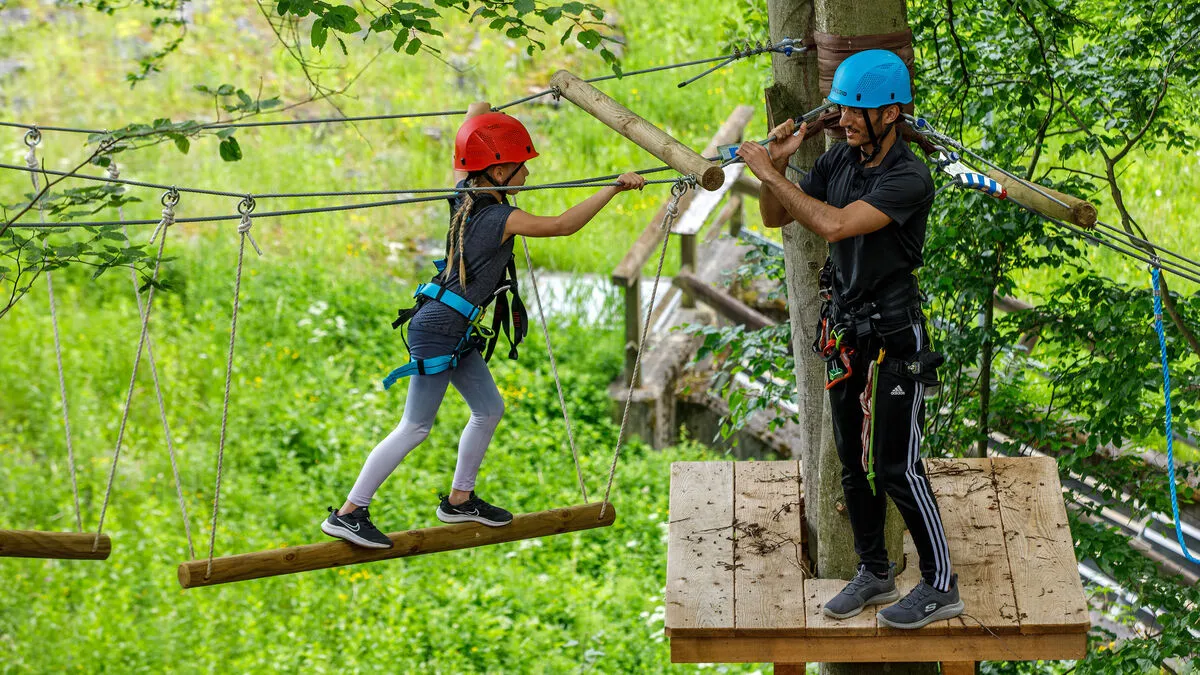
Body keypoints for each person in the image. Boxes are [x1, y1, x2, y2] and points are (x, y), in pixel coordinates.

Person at [322, 102, 646, 549]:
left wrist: (483, 113)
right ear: (496, 172)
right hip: (439, 328)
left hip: (450, 326)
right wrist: (613, 189)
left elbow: (470, 130)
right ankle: (350, 512)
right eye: (521, 167)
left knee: (489, 410)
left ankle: (460, 500)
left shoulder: (464, 193)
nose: (528, 175)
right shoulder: (498, 217)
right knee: (415, 427)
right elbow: (561, 226)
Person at [737, 49, 962, 630]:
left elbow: (834, 225)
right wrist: (779, 169)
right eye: (844, 111)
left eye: (857, 112)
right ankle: (875, 569)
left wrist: (765, 170)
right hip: (845, 330)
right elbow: (772, 216)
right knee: (850, 464)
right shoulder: (838, 160)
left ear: (892, 114)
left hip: (894, 338)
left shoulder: (908, 175)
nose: (844, 120)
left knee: (895, 466)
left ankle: (942, 585)